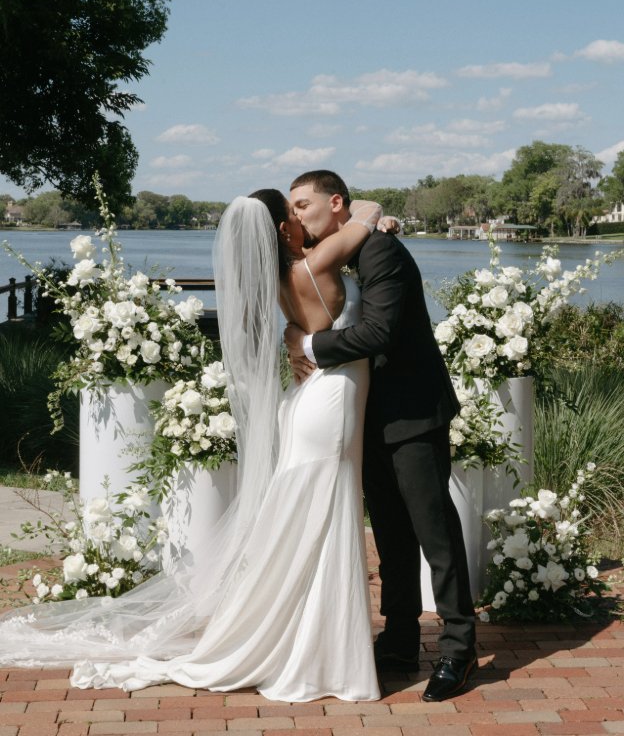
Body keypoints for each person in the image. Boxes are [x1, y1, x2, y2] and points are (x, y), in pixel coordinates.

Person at [0, 189, 388, 702]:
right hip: (329, 403)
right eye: (291, 213)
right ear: (277, 230)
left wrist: (295, 336)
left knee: (310, 522)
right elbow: (368, 212)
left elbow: (303, 324)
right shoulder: (313, 263)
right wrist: (378, 216)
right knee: (321, 519)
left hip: (310, 400)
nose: (299, 218)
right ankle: (321, 651)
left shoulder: (280, 279)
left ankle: (310, 639)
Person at [284, 170, 478, 703]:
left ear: (336, 203)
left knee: (433, 529)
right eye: (293, 207)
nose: (298, 215)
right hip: (366, 414)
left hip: (413, 411)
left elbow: (380, 332)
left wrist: (309, 347)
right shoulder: (346, 253)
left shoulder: (381, 252)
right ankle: (398, 638)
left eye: (305, 204)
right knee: (391, 533)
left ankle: (459, 651)